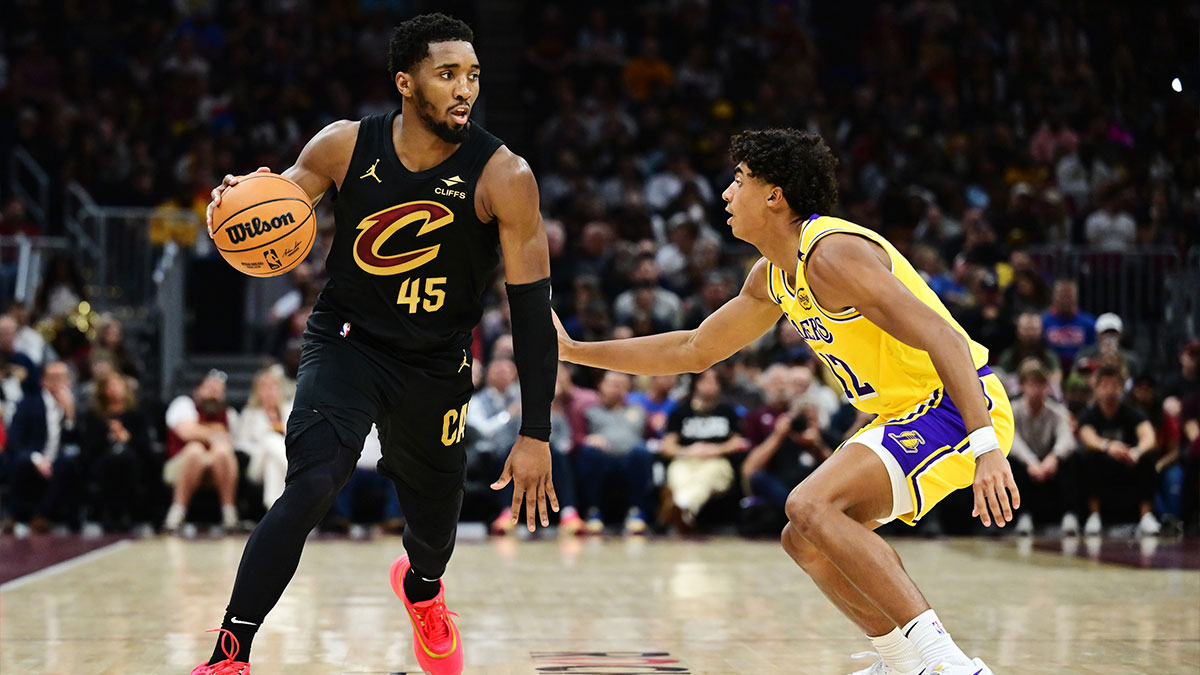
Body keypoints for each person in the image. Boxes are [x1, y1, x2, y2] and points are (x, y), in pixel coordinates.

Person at [556, 128, 1015, 675]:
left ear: (774, 195)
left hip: (959, 404)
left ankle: (950, 665)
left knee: (810, 504)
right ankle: (900, 662)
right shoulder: (774, 274)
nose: (726, 193)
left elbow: (947, 339)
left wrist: (987, 448)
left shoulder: (833, 255)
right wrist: (575, 350)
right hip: (907, 412)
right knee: (804, 539)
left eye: (739, 180)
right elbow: (694, 348)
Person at [195, 15, 558, 675]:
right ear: (405, 82)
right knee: (311, 482)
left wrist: (536, 430)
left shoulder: (505, 175)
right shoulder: (343, 147)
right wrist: (235, 204)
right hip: (347, 342)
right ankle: (230, 654)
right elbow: (277, 205)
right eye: (447, 74)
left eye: (472, 75)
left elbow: (531, 311)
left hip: (435, 362)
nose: (464, 89)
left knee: (432, 538)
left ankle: (422, 590)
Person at [1075, 365, 1161, 537]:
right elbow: (1086, 436)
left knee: (1148, 457)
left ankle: (1146, 516)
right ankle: (1094, 515)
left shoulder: (1132, 411)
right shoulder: (1089, 414)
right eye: (1105, 386)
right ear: (1097, 388)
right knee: (1085, 457)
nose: (1110, 391)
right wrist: (1108, 446)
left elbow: (1149, 436)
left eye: (1115, 385)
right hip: (1103, 465)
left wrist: (1137, 451)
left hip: (1128, 464)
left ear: (1122, 388)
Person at [659, 367, 746, 531]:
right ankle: (685, 513)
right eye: (705, 380)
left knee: (707, 476)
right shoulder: (681, 411)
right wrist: (689, 451)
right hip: (686, 459)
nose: (710, 385)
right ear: (696, 384)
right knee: (678, 474)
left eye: (714, 381)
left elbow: (738, 442)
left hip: (717, 461)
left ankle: (679, 507)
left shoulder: (728, 411)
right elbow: (667, 446)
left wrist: (715, 449)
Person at [5, 360, 82, 534]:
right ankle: (13, 515)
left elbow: (77, 443)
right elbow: (15, 440)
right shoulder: (28, 404)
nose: (58, 382)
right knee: (22, 463)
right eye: (53, 377)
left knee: (67, 464)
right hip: (33, 457)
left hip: (59, 461)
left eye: (63, 377)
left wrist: (70, 416)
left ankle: (41, 516)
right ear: (44, 381)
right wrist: (37, 459)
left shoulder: (75, 406)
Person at [1006, 359, 1078, 536]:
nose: (1035, 389)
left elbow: (1067, 439)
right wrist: (1031, 462)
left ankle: (1070, 515)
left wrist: (1053, 458)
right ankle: (1024, 516)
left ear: (1046, 386)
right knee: (1010, 462)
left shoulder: (1057, 411)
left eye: (1040, 383)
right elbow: (1011, 441)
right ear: (1022, 385)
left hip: (1048, 464)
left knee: (1072, 459)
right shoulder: (1012, 410)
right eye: (1031, 383)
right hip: (1026, 464)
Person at [163, 370, 241, 533]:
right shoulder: (183, 404)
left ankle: (229, 514)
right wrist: (216, 434)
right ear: (197, 391)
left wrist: (211, 440)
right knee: (195, 450)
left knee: (222, 451)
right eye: (210, 388)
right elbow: (187, 432)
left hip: (217, 467)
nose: (214, 393)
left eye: (218, 390)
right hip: (180, 465)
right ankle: (176, 513)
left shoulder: (230, 414)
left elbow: (231, 444)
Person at [82, 370, 152, 532]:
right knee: (112, 459)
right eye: (110, 385)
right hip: (103, 464)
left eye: (118, 385)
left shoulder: (136, 414)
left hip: (133, 464)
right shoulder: (95, 416)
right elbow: (89, 447)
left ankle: (126, 513)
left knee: (126, 458)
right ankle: (108, 513)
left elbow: (145, 446)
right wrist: (109, 437)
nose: (115, 389)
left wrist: (127, 438)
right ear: (103, 390)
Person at [234, 366, 291, 509]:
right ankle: (296, 473)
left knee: (272, 462)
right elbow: (240, 445)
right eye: (264, 387)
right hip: (256, 464)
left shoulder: (290, 412)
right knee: (269, 440)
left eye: (273, 386)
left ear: (280, 390)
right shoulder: (249, 414)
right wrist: (262, 448)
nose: (269, 391)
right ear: (257, 392)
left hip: (276, 462)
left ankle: (273, 508)